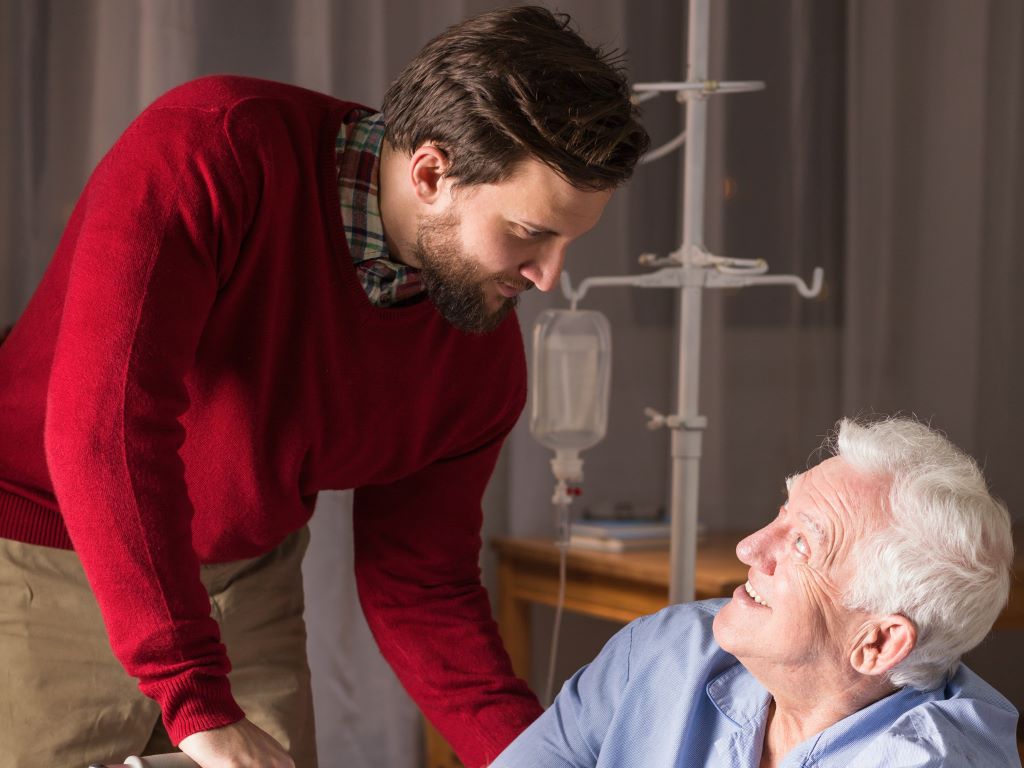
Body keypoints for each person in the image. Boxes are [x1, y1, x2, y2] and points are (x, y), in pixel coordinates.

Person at [0, 6, 649, 768]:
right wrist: (196, 697)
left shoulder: (478, 352)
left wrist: (540, 759)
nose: (549, 276)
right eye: (531, 233)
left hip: (247, 582)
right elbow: (103, 431)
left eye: (570, 241)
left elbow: (423, 587)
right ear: (433, 173)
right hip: (46, 556)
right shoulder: (213, 149)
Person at [493, 417, 1020, 767]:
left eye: (802, 545)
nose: (749, 548)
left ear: (878, 643)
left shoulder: (930, 757)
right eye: (780, 513)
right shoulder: (666, 651)